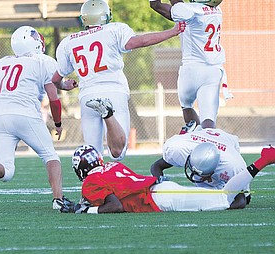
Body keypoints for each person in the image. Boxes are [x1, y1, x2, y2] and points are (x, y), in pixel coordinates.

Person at [52, 0, 186, 160]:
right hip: (114, 92)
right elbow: (140, 41)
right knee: (118, 153)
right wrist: (172, 31)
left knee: (93, 156)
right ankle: (108, 114)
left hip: (87, 96)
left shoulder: (69, 41)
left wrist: (64, 85)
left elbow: (55, 80)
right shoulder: (115, 29)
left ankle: (95, 182)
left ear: (84, 19)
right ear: (106, 16)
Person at [0, 26, 76, 211]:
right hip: (24, 114)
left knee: (6, 170)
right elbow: (53, 97)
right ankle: (58, 200)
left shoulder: (3, 63)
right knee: (50, 156)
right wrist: (58, 123)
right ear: (34, 43)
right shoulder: (43, 61)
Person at [60, 144, 275, 213]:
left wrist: (86, 209)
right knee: (223, 198)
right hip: (163, 190)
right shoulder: (112, 166)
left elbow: (114, 206)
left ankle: (264, 160)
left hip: (162, 200)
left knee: (224, 199)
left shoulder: (90, 181)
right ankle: (262, 163)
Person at [149, 0, 229, 129]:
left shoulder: (190, 10)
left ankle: (195, 137)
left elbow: (162, 6)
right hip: (213, 70)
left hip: (192, 68)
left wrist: (154, 3)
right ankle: (208, 144)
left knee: (187, 106)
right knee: (208, 120)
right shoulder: (217, 11)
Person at [151, 124, 248, 190]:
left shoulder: (234, 167)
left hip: (227, 142)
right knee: (204, 189)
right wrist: (160, 182)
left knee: (244, 195)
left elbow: (241, 201)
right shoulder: (178, 150)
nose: (195, 176)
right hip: (198, 138)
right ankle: (193, 130)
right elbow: (156, 166)